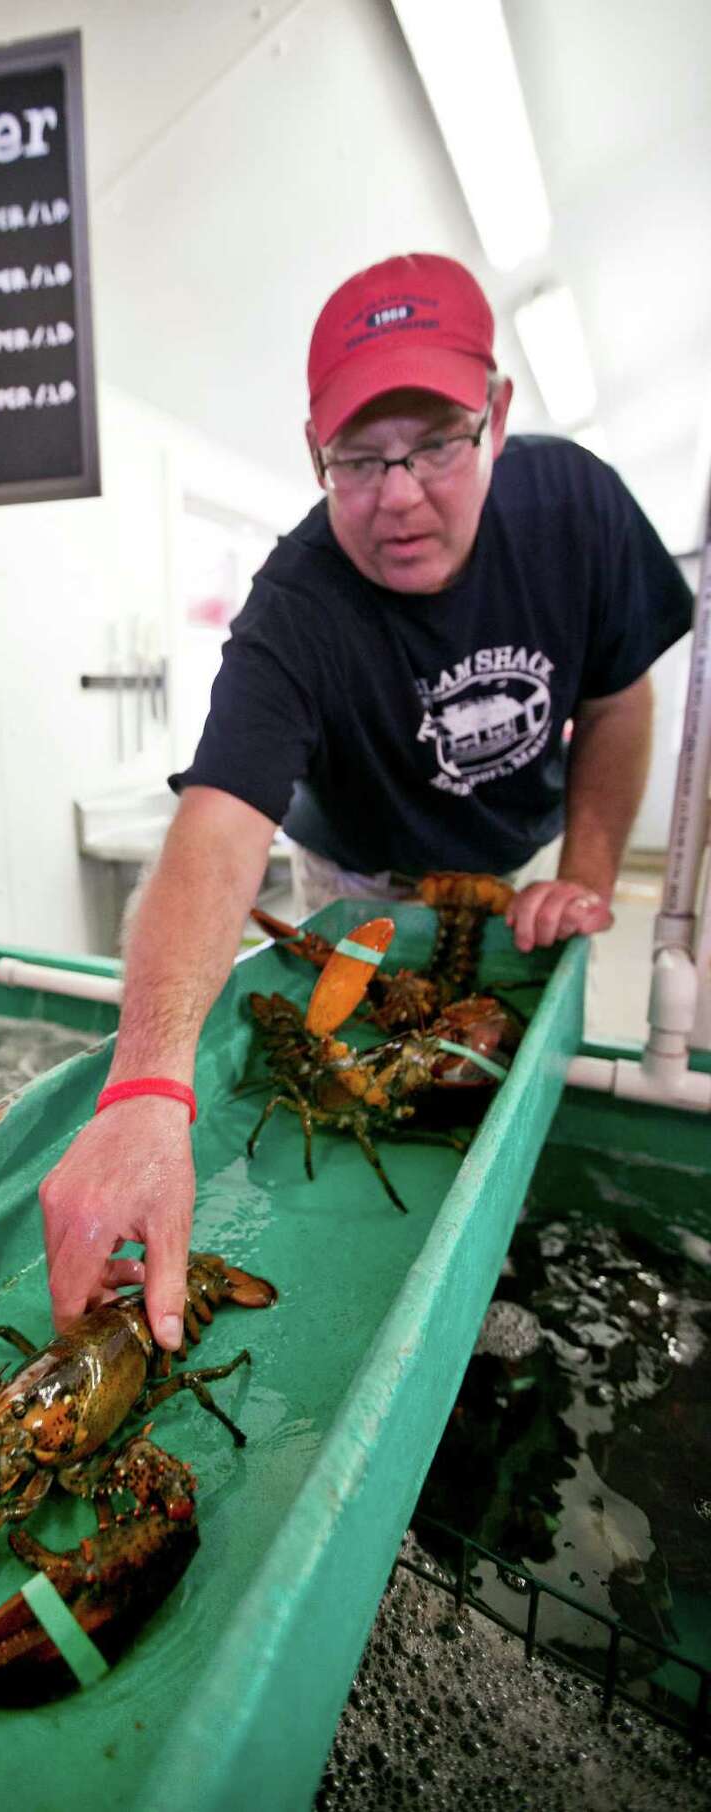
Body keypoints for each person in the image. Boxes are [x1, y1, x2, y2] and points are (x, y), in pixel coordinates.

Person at [40, 251, 692, 1354]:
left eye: (436, 442)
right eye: (358, 459)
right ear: (314, 453)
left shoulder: (575, 506)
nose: (398, 495)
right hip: (352, 876)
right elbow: (217, 828)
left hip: (514, 855)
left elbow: (620, 701)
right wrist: (145, 1085)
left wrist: (583, 877)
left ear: (495, 412)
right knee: (358, 1084)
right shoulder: (295, 607)